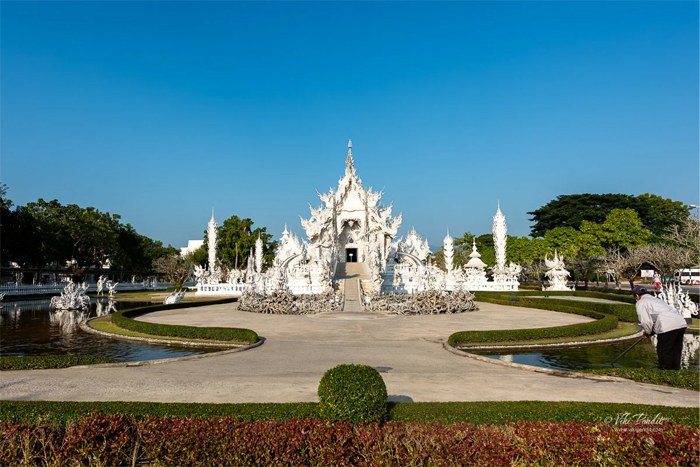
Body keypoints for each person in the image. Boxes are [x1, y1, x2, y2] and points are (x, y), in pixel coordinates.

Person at [633, 285, 687, 370]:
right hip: (680, 323)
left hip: (666, 325)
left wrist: (647, 332)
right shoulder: (655, 299)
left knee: (664, 350)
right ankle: (675, 371)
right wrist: (650, 332)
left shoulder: (641, 302)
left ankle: (665, 371)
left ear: (636, 295)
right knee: (676, 349)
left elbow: (646, 321)